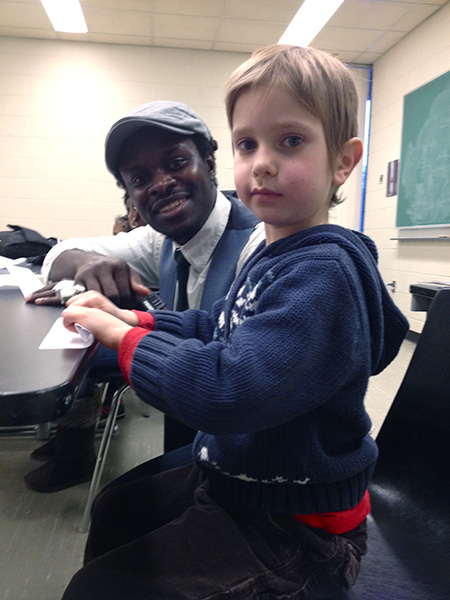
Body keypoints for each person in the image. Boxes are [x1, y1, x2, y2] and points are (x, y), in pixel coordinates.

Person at [59, 45, 409, 599]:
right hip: (242, 482)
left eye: (290, 141)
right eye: (248, 144)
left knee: (96, 589)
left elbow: (228, 389)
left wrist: (124, 340)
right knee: (115, 510)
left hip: (296, 528)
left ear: (343, 162)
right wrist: (135, 319)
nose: (262, 162)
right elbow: (218, 326)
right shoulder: (273, 253)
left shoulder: (322, 272)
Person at [23, 100, 263, 493]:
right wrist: (87, 262)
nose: (161, 183)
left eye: (176, 162)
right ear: (131, 197)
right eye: (140, 178)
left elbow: (243, 387)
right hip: (194, 416)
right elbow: (55, 254)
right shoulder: (160, 240)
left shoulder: (258, 243)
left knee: (118, 508)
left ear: (209, 162)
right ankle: (74, 450)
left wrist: (128, 332)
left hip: (251, 449)